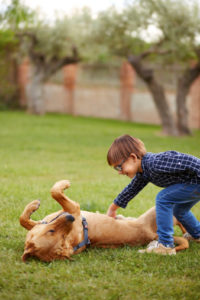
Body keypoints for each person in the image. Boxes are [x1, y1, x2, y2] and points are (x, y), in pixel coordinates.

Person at [106, 134, 200, 255]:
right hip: (192, 185)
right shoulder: (143, 172)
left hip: (195, 182)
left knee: (163, 198)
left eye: (119, 166)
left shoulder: (155, 163)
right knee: (179, 210)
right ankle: (197, 233)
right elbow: (130, 190)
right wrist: (113, 208)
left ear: (133, 157)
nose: (119, 172)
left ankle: (165, 245)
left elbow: (189, 161)